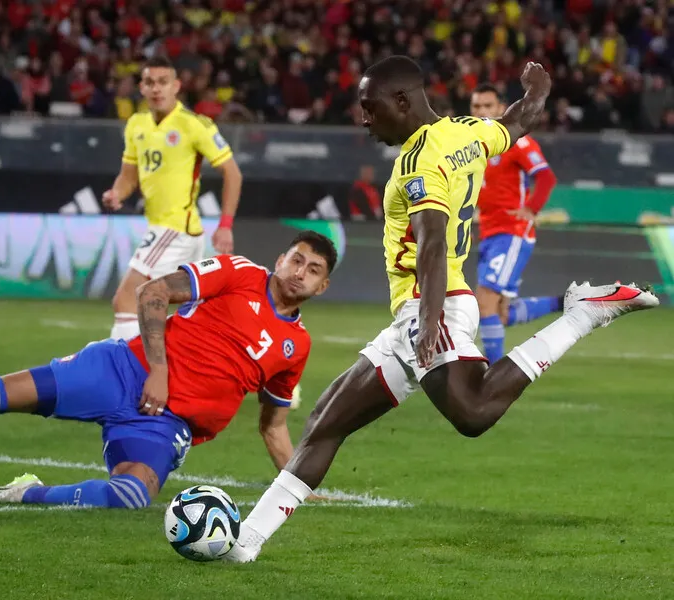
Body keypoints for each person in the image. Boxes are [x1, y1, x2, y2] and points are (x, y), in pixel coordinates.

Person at [224, 56, 658, 563]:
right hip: (425, 305)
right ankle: (245, 544)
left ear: (403, 102)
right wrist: (537, 89)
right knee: (325, 421)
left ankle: (583, 314)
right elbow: (517, 122)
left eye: (371, 107)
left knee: (472, 412)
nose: (365, 119)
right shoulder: (465, 132)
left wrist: (428, 320)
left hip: (434, 303)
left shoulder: (417, 162)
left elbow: (431, 240)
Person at [0, 232, 336, 510]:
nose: (300, 272)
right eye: (295, 260)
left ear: (321, 286)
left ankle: (23, 493)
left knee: (131, 498)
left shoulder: (298, 345)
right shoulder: (239, 273)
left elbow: (273, 425)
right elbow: (152, 292)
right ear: (280, 259)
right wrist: (159, 372)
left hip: (162, 428)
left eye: (312, 270)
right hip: (121, 371)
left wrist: (297, 487)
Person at [102, 56, 243, 342]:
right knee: (187, 314)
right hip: (167, 228)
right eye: (150, 82)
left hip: (174, 226)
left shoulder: (194, 125)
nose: (156, 89)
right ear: (141, 87)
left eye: (163, 82)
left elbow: (233, 173)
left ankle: (128, 372)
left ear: (176, 86)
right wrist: (118, 192)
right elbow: (128, 176)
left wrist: (226, 224)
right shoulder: (136, 125)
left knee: (127, 300)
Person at [469, 83, 561, 364]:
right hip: (489, 233)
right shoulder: (472, 144)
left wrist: (530, 210)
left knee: (484, 298)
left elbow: (545, 177)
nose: (481, 111)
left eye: (488, 106)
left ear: (500, 108)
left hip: (511, 233)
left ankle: (494, 372)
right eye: (476, 106)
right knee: (499, 313)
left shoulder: (516, 140)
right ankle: (565, 301)